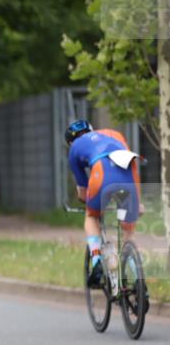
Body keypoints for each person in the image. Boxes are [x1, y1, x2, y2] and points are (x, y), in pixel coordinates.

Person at [65, 120, 141, 287]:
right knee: (128, 230)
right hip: (128, 174)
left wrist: (90, 203)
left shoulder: (75, 148)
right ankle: (138, 280)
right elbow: (132, 165)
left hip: (101, 173)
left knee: (91, 217)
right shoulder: (114, 134)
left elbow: (83, 191)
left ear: (70, 142)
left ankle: (97, 260)